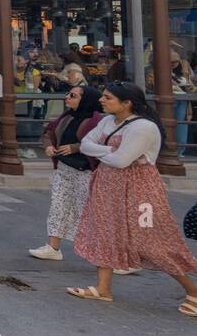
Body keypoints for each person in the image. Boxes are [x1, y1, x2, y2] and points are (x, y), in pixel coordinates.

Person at [66, 81, 197, 315]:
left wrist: (108, 153)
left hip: (139, 189)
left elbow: (121, 161)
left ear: (126, 103)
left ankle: (193, 290)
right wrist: (112, 152)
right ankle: (103, 288)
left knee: (151, 242)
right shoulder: (108, 121)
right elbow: (86, 145)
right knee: (105, 232)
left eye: (108, 98)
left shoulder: (143, 127)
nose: (101, 100)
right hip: (107, 185)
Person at [29, 86, 104, 261]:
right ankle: (53, 247)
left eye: (73, 95)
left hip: (85, 171)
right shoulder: (67, 116)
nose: (67, 97)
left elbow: (100, 142)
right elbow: (49, 131)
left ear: (85, 100)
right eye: (68, 94)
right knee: (58, 206)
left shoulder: (96, 121)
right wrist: (48, 146)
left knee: (86, 211)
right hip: (64, 168)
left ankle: (106, 253)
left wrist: (75, 147)